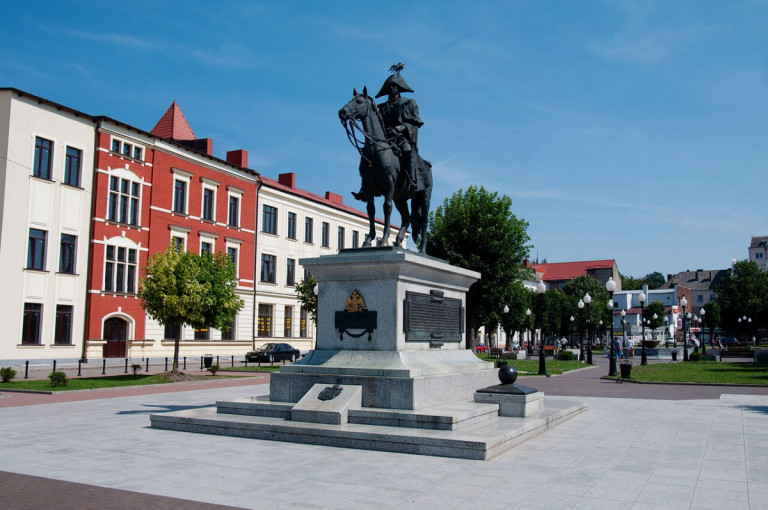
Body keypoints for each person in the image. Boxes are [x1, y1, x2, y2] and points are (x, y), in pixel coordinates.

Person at [352, 64, 424, 201]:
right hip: (384, 139)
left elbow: (414, 122)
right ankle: (364, 186)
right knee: (367, 154)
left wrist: (400, 128)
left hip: (400, 139)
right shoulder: (380, 107)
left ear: (400, 88)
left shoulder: (408, 103)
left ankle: (412, 181)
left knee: (408, 151)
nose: (392, 88)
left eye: (395, 86)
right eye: (390, 87)